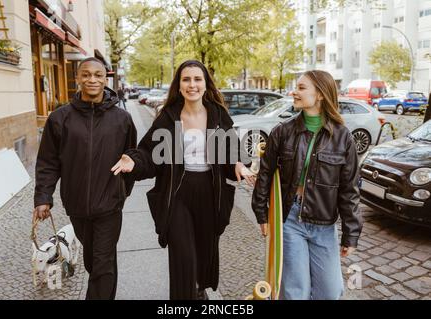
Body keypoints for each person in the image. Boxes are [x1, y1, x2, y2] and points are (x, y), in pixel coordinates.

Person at [111, 60, 254, 300]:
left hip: (210, 191)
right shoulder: (168, 117)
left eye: (197, 79)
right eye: (186, 79)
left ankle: (197, 290)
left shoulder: (218, 115)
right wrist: (134, 161)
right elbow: (150, 153)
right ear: (178, 85)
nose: (192, 85)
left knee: (204, 250)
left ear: (206, 84)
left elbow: (231, 152)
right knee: (182, 254)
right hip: (177, 193)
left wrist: (239, 165)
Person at [252, 70, 363, 300]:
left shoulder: (343, 138)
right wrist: (262, 213)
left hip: (324, 224)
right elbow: (265, 175)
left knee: (331, 292)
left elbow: (349, 191)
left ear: (320, 94)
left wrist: (351, 233)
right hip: (290, 219)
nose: (294, 91)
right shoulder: (282, 132)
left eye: (302, 88)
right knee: (295, 291)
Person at [33, 57, 137, 300]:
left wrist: (121, 190)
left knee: (102, 262)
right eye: (87, 75)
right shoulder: (60, 119)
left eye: (98, 75)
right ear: (78, 78)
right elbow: (48, 162)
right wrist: (43, 197)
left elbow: (133, 156)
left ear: (106, 78)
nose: (92, 79)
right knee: (95, 260)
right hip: (77, 206)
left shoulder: (122, 119)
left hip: (110, 205)